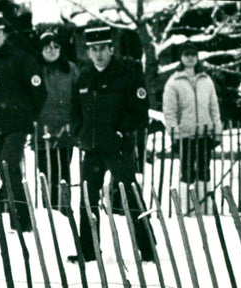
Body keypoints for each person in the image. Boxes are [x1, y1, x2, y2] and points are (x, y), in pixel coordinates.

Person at [70, 26, 154, 263]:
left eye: (103, 49)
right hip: (92, 148)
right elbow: (75, 111)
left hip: (118, 147)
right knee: (87, 198)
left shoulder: (127, 74)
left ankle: (148, 248)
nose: (98, 54)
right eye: (94, 50)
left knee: (130, 195)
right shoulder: (84, 78)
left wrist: (120, 132)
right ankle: (88, 250)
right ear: (88, 52)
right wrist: (80, 133)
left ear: (111, 49)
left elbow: (140, 113)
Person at [0, 11, 47, 232]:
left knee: (9, 165)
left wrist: (27, 118)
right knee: (7, 171)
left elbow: (39, 91)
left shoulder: (21, 59)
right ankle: (20, 220)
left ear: (4, 34)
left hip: (16, 125)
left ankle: (22, 222)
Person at [162, 41, 222, 214]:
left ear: (197, 57)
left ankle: (205, 208)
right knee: (187, 172)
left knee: (204, 170)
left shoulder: (206, 80)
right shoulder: (174, 82)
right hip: (185, 135)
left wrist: (217, 131)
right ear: (181, 58)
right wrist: (174, 134)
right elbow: (170, 112)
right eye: (186, 54)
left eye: (193, 54)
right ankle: (187, 208)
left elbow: (213, 107)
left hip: (205, 133)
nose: (190, 58)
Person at [36, 29, 77, 212]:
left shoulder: (70, 69)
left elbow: (78, 97)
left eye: (56, 46)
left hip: (65, 129)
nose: (51, 50)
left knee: (63, 171)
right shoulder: (35, 69)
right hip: (42, 129)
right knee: (46, 171)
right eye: (47, 47)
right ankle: (48, 211)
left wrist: (74, 122)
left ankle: (64, 208)